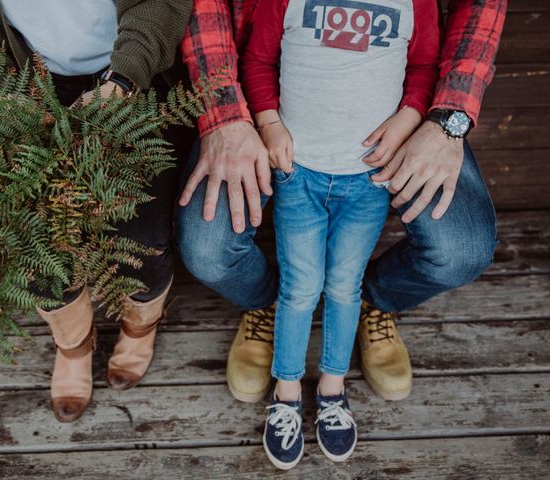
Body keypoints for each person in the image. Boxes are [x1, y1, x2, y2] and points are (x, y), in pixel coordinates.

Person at [178, 0, 505, 404]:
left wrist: (429, 119)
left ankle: (371, 313)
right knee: (214, 251)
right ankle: (268, 313)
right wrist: (244, 118)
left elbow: (435, 52)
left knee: (457, 251)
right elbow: (255, 56)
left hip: (370, 162)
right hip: (287, 136)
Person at [0, 0, 194, 422]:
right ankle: (74, 346)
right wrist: (12, 101)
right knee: (36, 249)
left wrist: (123, 77)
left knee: (141, 239)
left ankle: (139, 326)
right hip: (23, 86)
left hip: (135, 75)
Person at [242, 0, 440, 468]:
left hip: (367, 178)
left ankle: (332, 388)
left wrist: (410, 117)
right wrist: (268, 123)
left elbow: (426, 65)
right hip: (300, 173)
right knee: (300, 287)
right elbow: (258, 60)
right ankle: (287, 392)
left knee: (343, 285)